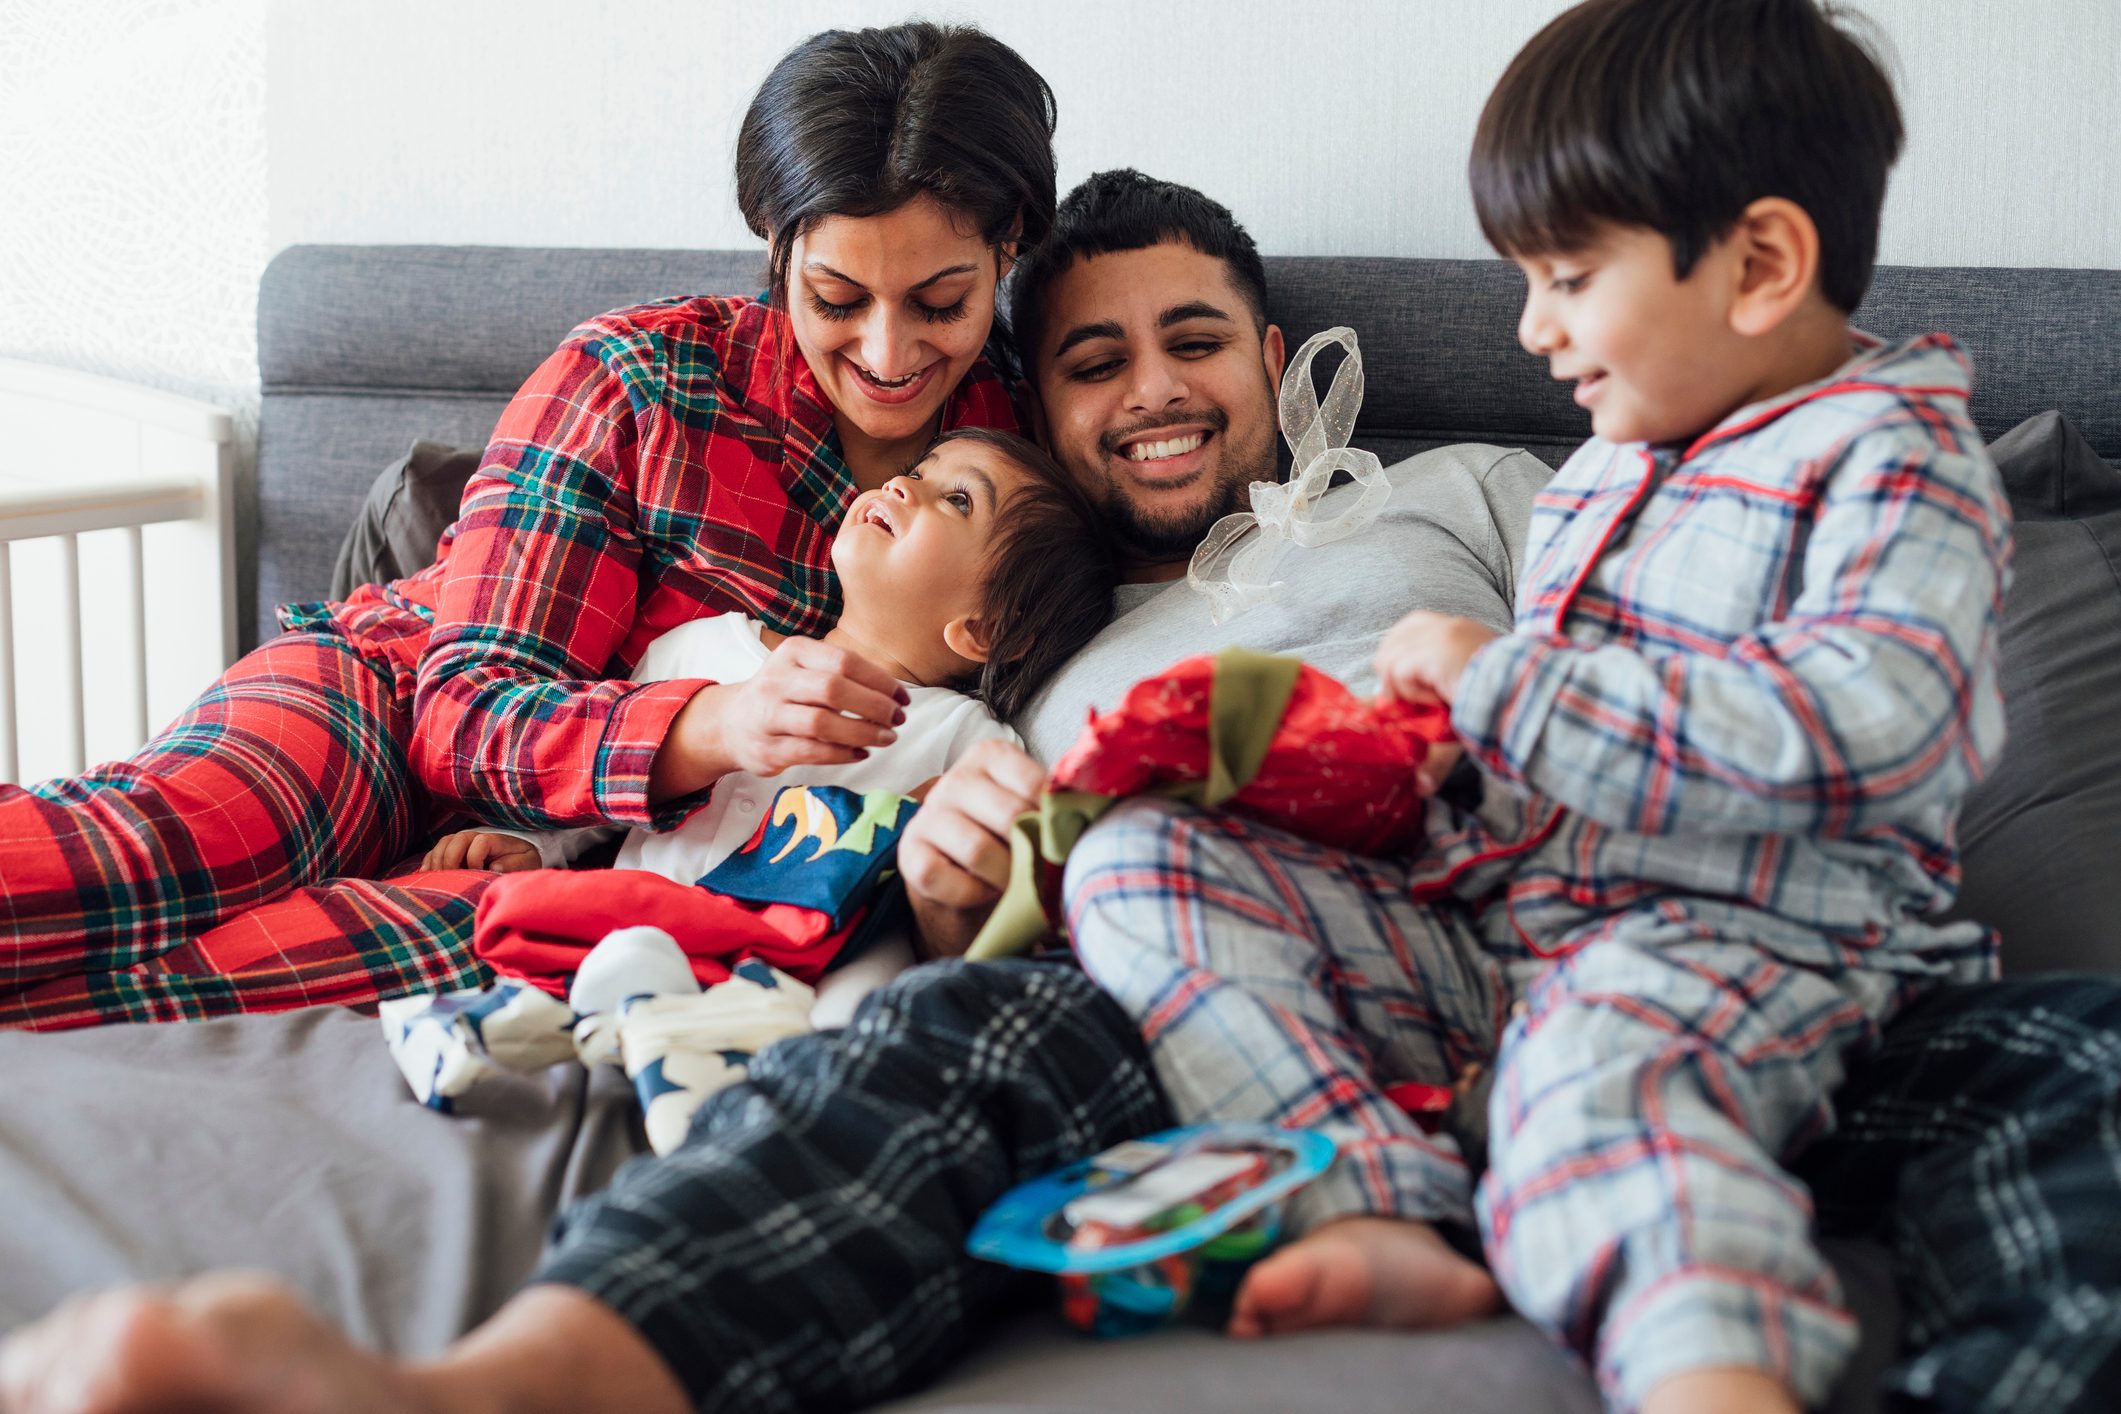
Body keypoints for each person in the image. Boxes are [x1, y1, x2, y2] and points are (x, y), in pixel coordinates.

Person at [5, 172, 2120, 1414]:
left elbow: (1762, 640)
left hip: (1660, 932)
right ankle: (499, 1387)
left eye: (1187, 338)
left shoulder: (1495, 484)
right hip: (1266, 982)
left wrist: (1485, 701)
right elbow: (865, 854)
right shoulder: (1031, 624)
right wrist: (939, 872)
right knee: (943, 1032)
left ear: (1280, 357)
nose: (1147, 390)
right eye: (1087, 363)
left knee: (2089, 1062)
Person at [1069, 3, 2009, 1412]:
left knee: (1600, 1071)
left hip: (1746, 948)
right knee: (1138, 862)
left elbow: (1874, 727)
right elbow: (1529, 770)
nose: (1532, 328)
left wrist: (1507, 684)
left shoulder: (1891, 459)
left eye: (1566, 277)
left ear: (1759, 264)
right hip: (1501, 938)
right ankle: (1384, 1206)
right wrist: (1412, 762)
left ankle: (1710, 1370)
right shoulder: (1592, 475)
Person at [0, 21, 1058, 1032]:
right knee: (163, 858)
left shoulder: (1022, 459)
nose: (886, 351)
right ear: (774, 247)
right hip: (391, 695)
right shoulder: (641, 378)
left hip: (572, 864)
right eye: (835, 297)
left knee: (203, 984)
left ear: (1008, 249)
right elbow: (461, 713)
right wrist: (713, 726)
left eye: (939, 301)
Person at [386, 428, 1115, 1137]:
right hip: (637, 930)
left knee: (856, 991)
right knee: (571, 937)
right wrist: (533, 845)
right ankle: (533, 1032)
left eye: (957, 501)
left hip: (785, 994)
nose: (904, 483)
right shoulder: (706, 648)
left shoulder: (965, 739)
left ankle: (711, 1078)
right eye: (922, 468)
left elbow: (981, 902)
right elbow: (602, 787)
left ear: (982, 631)